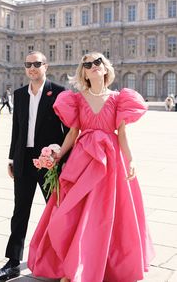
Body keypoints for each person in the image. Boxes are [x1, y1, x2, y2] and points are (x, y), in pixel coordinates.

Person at [27, 52, 155, 282]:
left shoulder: (119, 98)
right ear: (83, 72)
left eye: (98, 62)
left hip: (110, 162)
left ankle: (98, 265)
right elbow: (72, 134)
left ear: (106, 68)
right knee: (75, 213)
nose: (93, 66)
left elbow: (123, 134)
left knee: (105, 216)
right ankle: (73, 265)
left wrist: (131, 160)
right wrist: (57, 156)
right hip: (83, 160)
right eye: (88, 64)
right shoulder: (75, 99)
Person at [0, 51, 69, 280]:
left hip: (49, 162)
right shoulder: (20, 94)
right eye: (28, 64)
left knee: (54, 211)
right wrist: (11, 159)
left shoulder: (60, 93)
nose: (32, 68)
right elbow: (16, 130)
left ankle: (61, 259)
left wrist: (61, 158)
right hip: (24, 159)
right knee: (20, 211)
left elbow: (68, 131)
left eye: (37, 64)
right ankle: (13, 261)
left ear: (46, 66)